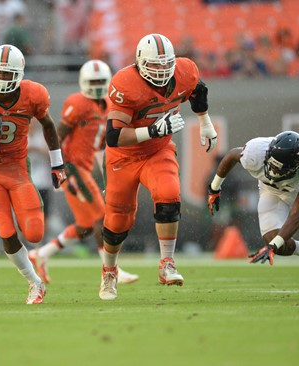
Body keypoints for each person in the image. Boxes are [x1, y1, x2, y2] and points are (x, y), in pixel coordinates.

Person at [99, 33, 218, 300]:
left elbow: (197, 90)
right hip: (124, 156)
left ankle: (167, 264)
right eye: (155, 65)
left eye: (167, 64)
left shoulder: (185, 71)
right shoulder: (125, 83)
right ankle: (109, 271)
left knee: (169, 193)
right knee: (119, 219)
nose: (162, 71)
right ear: (140, 63)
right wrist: (152, 130)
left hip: (158, 150)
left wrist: (205, 122)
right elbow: (114, 136)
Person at [0, 44, 67, 304]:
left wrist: (58, 164)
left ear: (19, 74)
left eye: (8, 74)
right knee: (6, 233)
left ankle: (35, 266)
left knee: (34, 234)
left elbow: (49, 126)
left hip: (17, 169)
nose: (1, 79)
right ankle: (35, 282)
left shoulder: (33, 94)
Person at [28, 60, 139, 284]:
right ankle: (111, 270)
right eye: (93, 82)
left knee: (86, 227)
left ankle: (41, 254)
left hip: (84, 168)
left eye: (101, 82)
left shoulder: (108, 105)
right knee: (102, 218)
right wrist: (59, 166)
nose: (97, 86)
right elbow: (58, 135)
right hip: (73, 169)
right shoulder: (78, 103)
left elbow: (98, 142)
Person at [208, 131, 299, 299]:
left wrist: (273, 246)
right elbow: (232, 155)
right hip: (270, 191)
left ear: (296, 166)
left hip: (298, 193)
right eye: (272, 164)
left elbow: (297, 215)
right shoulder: (255, 152)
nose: (274, 170)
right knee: (275, 241)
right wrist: (214, 188)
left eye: (279, 167)